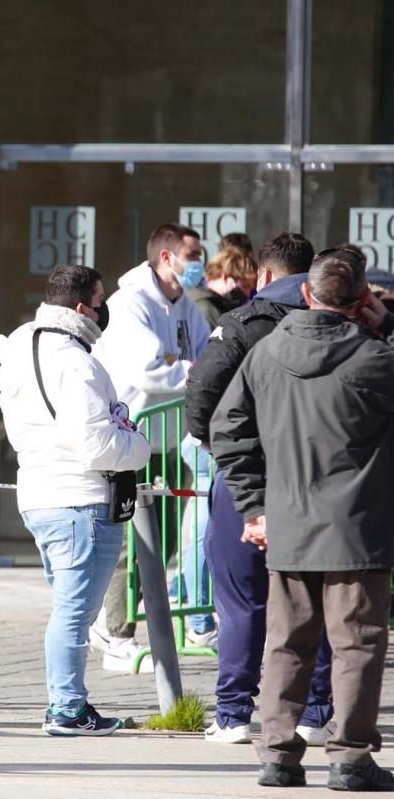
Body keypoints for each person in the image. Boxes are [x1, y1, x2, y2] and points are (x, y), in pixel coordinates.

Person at [212, 247, 394, 791]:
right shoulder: (377, 357)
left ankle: (277, 755)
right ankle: (349, 757)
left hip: (287, 524)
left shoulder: (265, 354)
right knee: (357, 646)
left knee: (286, 644)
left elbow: (227, 430)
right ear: (363, 300)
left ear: (306, 295)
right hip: (357, 529)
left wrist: (254, 505)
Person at [185, 233, 336, 746]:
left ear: (266, 276)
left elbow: (202, 396)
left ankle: (233, 715)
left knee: (241, 598)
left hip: (248, 478)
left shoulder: (244, 323)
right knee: (315, 595)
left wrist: (222, 449)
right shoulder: (343, 322)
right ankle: (316, 712)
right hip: (320, 480)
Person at [0, 264, 150, 735]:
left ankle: (66, 704)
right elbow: (96, 444)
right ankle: (66, 709)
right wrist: (138, 446)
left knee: (69, 607)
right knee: (75, 612)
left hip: (42, 495)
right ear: (83, 307)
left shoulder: (22, 348)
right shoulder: (75, 361)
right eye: (100, 302)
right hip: (80, 499)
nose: (105, 311)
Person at [90, 223, 211, 671]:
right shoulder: (131, 303)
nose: (199, 262)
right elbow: (147, 370)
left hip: (171, 436)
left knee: (162, 542)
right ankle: (114, 629)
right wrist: (189, 369)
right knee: (127, 538)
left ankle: (154, 626)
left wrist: (182, 365)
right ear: (167, 257)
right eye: (192, 254)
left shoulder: (186, 306)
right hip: (134, 435)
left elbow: (204, 356)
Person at [171, 244, 259, 647]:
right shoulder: (209, 308)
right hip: (209, 433)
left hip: (206, 431)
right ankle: (199, 616)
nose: (244, 291)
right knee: (204, 526)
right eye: (242, 283)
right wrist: (205, 433)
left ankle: (193, 606)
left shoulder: (198, 304)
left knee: (200, 523)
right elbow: (207, 373)